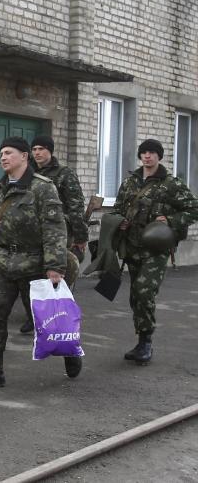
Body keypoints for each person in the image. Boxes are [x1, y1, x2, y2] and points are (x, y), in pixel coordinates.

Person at [0, 136, 73, 389]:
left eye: (8, 153)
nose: (3, 157)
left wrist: (55, 266)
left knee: (47, 319)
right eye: (1, 153)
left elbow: (54, 228)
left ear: (24, 156)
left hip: (35, 264)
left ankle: (69, 352)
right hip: (3, 263)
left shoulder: (42, 187)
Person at [113, 139, 198, 364]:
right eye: (144, 152)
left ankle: (146, 343)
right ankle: (141, 339)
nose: (147, 156)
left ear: (159, 156)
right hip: (132, 247)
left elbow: (193, 208)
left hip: (156, 249)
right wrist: (120, 222)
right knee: (135, 297)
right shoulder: (130, 183)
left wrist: (170, 220)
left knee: (144, 291)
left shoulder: (171, 184)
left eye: (152, 153)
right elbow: (118, 209)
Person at [13, 135, 88, 333]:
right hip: (31, 234)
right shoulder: (26, 173)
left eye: (42, 149)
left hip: (57, 233)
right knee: (30, 275)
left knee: (54, 274)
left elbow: (76, 205)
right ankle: (35, 316)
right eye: (35, 149)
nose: (37, 152)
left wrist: (80, 236)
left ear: (50, 151)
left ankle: (57, 317)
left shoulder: (64, 174)